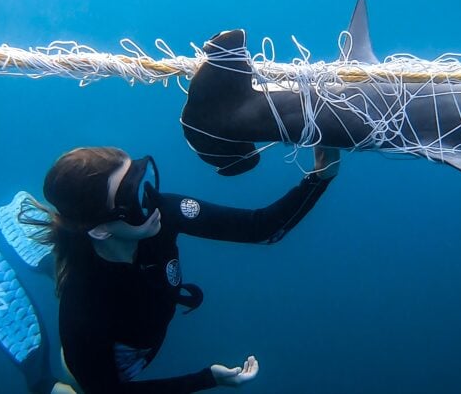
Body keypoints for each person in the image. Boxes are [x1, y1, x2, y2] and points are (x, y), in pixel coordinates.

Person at [21, 146, 339, 393]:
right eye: (132, 198)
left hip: (128, 301)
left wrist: (320, 175)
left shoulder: (160, 211)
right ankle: (42, 381)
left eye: (141, 178)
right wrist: (206, 379)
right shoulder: (84, 310)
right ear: (101, 229)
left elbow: (259, 228)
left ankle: (53, 261)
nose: (151, 198)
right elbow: (110, 392)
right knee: (75, 385)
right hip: (126, 364)